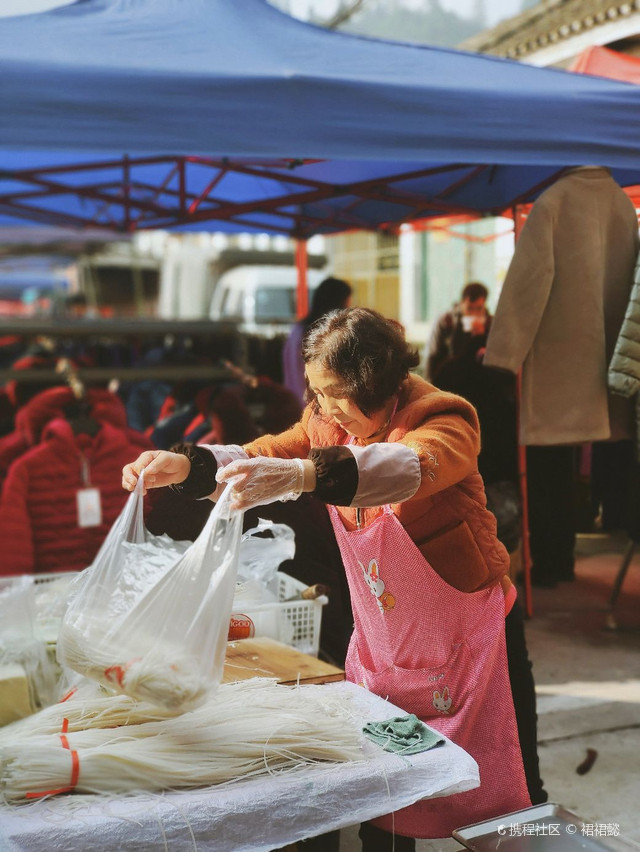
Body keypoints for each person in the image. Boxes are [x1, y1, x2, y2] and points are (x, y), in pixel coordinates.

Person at [123, 307, 545, 850]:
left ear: (376, 384)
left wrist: (305, 475)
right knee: (383, 788)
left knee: (510, 794)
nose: (324, 408)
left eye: (336, 393)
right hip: (386, 641)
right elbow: (259, 456)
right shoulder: (325, 421)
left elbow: (410, 467)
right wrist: (184, 466)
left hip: (474, 643)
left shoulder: (444, 419)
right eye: (317, 393)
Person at [282, 275, 352, 404]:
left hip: (293, 402)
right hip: (311, 407)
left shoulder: (298, 329)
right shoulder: (322, 337)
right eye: (347, 304)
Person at [425, 281, 490, 384]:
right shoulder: (447, 321)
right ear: (462, 304)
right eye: (469, 308)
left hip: (479, 382)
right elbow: (433, 354)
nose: (474, 313)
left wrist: (481, 337)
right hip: (450, 381)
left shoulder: (489, 323)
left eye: (479, 308)